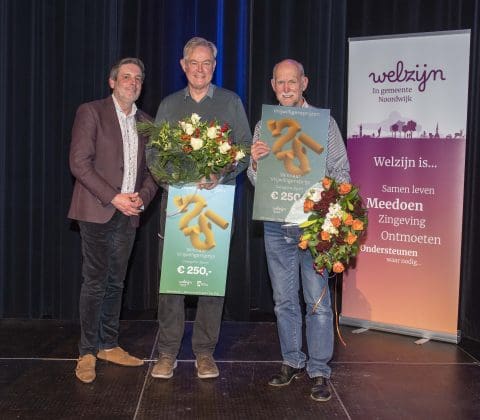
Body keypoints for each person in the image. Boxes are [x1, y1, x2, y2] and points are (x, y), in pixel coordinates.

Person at [247, 59, 350, 402]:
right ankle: (292, 360)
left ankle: (319, 370)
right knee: (283, 301)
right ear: (272, 86)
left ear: (304, 83)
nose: (286, 88)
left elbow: (342, 172)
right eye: (280, 82)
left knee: (317, 302)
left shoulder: (324, 124)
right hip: (276, 225)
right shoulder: (264, 126)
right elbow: (256, 181)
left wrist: (323, 203)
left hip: (313, 227)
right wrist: (255, 163)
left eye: (292, 81)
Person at [151, 37, 252, 380]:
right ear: (183, 66)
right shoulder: (169, 105)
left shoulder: (230, 102)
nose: (199, 69)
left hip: (215, 206)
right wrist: (174, 181)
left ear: (214, 66)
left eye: (206, 63)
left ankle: (205, 353)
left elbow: (245, 148)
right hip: (177, 207)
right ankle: (167, 353)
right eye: (193, 62)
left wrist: (220, 173)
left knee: (211, 281)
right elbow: (153, 154)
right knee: (172, 284)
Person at [68, 58, 158, 383]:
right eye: (126, 77)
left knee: (116, 282)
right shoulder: (91, 112)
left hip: (129, 213)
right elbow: (79, 163)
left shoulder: (147, 122)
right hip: (97, 209)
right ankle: (87, 352)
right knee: (95, 281)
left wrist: (142, 198)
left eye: (138, 79)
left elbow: (154, 171)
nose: (132, 83)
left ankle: (108, 344)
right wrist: (114, 196)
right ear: (112, 82)